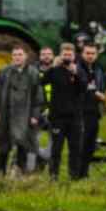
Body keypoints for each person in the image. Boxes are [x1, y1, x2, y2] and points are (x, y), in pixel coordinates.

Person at [0, 45, 43, 175]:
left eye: (20, 55)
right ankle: (0, 172)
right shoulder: (4, 72)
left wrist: (35, 115)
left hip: (25, 115)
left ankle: (20, 171)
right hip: (6, 114)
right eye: (15, 55)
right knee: (3, 145)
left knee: (23, 144)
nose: (17, 57)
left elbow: (38, 97)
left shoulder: (33, 73)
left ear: (25, 56)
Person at [41, 43, 87, 180]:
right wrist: (52, 67)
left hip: (75, 118)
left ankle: (74, 176)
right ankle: (53, 175)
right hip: (57, 117)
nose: (67, 57)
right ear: (60, 56)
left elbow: (83, 88)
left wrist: (76, 73)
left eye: (70, 55)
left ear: (74, 56)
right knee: (56, 149)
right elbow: (42, 81)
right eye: (65, 55)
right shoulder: (55, 70)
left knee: (75, 149)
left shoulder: (79, 71)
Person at [78, 43, 106, 178]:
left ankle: (85, 172)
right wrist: (95, 93)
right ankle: (77, 173)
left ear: (97, 55)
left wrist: (101, 95)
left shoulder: (99, 69)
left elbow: (101, 87)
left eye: (93, 53)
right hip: (81, 111)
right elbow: (82, 86)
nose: (90, 56)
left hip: (94, 111)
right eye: (87, 53)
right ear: (82, 54)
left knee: (90, 143)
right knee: (81, 143)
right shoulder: (77, 68)